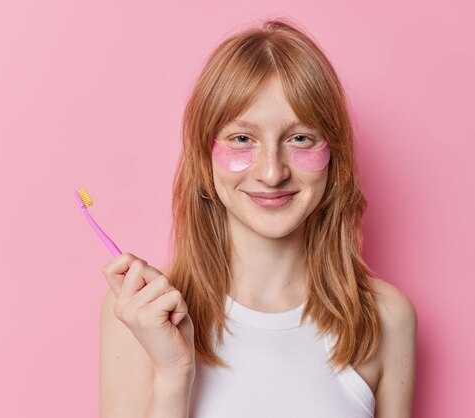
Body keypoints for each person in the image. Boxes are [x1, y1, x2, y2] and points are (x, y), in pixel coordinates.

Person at [99, 18, 416, 418]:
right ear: (204, 157)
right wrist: (173, 375)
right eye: (242, 139)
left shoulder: (386, 318)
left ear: (334, 155)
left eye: (300, 138)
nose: (271, 172)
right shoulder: (142, 315)